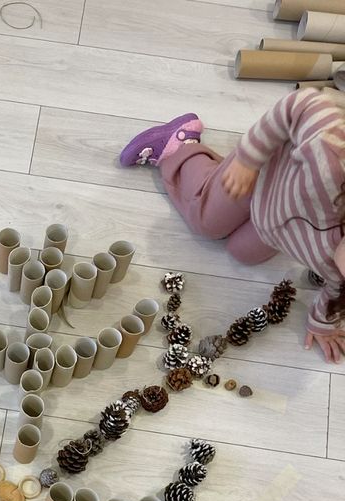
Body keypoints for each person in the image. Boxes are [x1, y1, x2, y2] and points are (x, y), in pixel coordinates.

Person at [118, 90, 345, 363]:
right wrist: (248, 160)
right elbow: (302, 103)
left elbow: (335, 290)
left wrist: (321, 324)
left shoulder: (338, 273)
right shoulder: (333, 161)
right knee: (207, 224)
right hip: (261, 178)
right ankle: (179, 148)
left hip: (276, 226)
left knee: (241, 253)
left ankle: (218, 176)